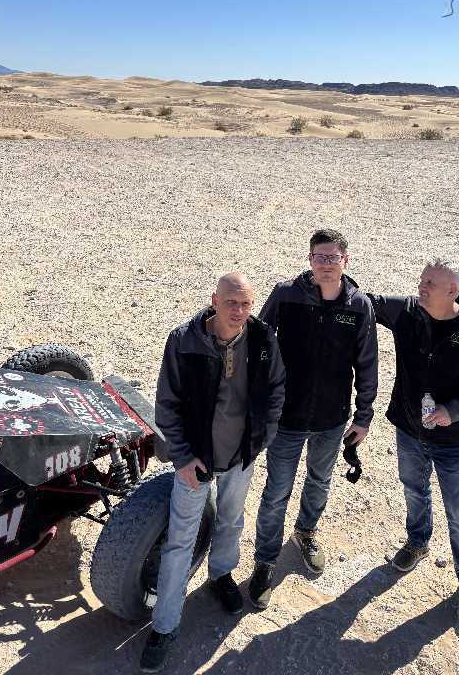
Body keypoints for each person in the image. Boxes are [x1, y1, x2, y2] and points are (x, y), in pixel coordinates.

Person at [140, 273, 285, 674]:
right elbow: (167, 405)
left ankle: (221, 575)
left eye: (245, 304)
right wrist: (183, 458)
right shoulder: (184, 341)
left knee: (231, 521)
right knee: (179, 542)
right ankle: (165, 626)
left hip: (241, 456)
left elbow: (276, 389)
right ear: (214, 300)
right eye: (231, 303)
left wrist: (262, 439)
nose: (238, 311)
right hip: (196, 462)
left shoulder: (262, 338)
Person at [368, 258, 459, 626]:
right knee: (414, 490)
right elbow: (365, 301)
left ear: (452, 291)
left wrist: (454, 410)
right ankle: (418, 543)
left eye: (431, 282)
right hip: (409, 430)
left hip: (452, 440)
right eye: (422, 279)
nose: (422, 286)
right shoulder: (407, 312)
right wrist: (328, 272)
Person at [248, 229, 378, 610]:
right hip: (287, 417)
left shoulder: (359, 306)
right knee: (276, 492)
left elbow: (367, 362)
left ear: (345, 261)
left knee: (320, 481)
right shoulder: (286, 294)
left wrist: (363, 415)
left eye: (332, 258)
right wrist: (259, 397)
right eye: (319, 257)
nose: (325, 264)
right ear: (310, 260)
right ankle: (265, 560)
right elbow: (258, 343)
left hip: (331, 419)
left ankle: (305, 532)